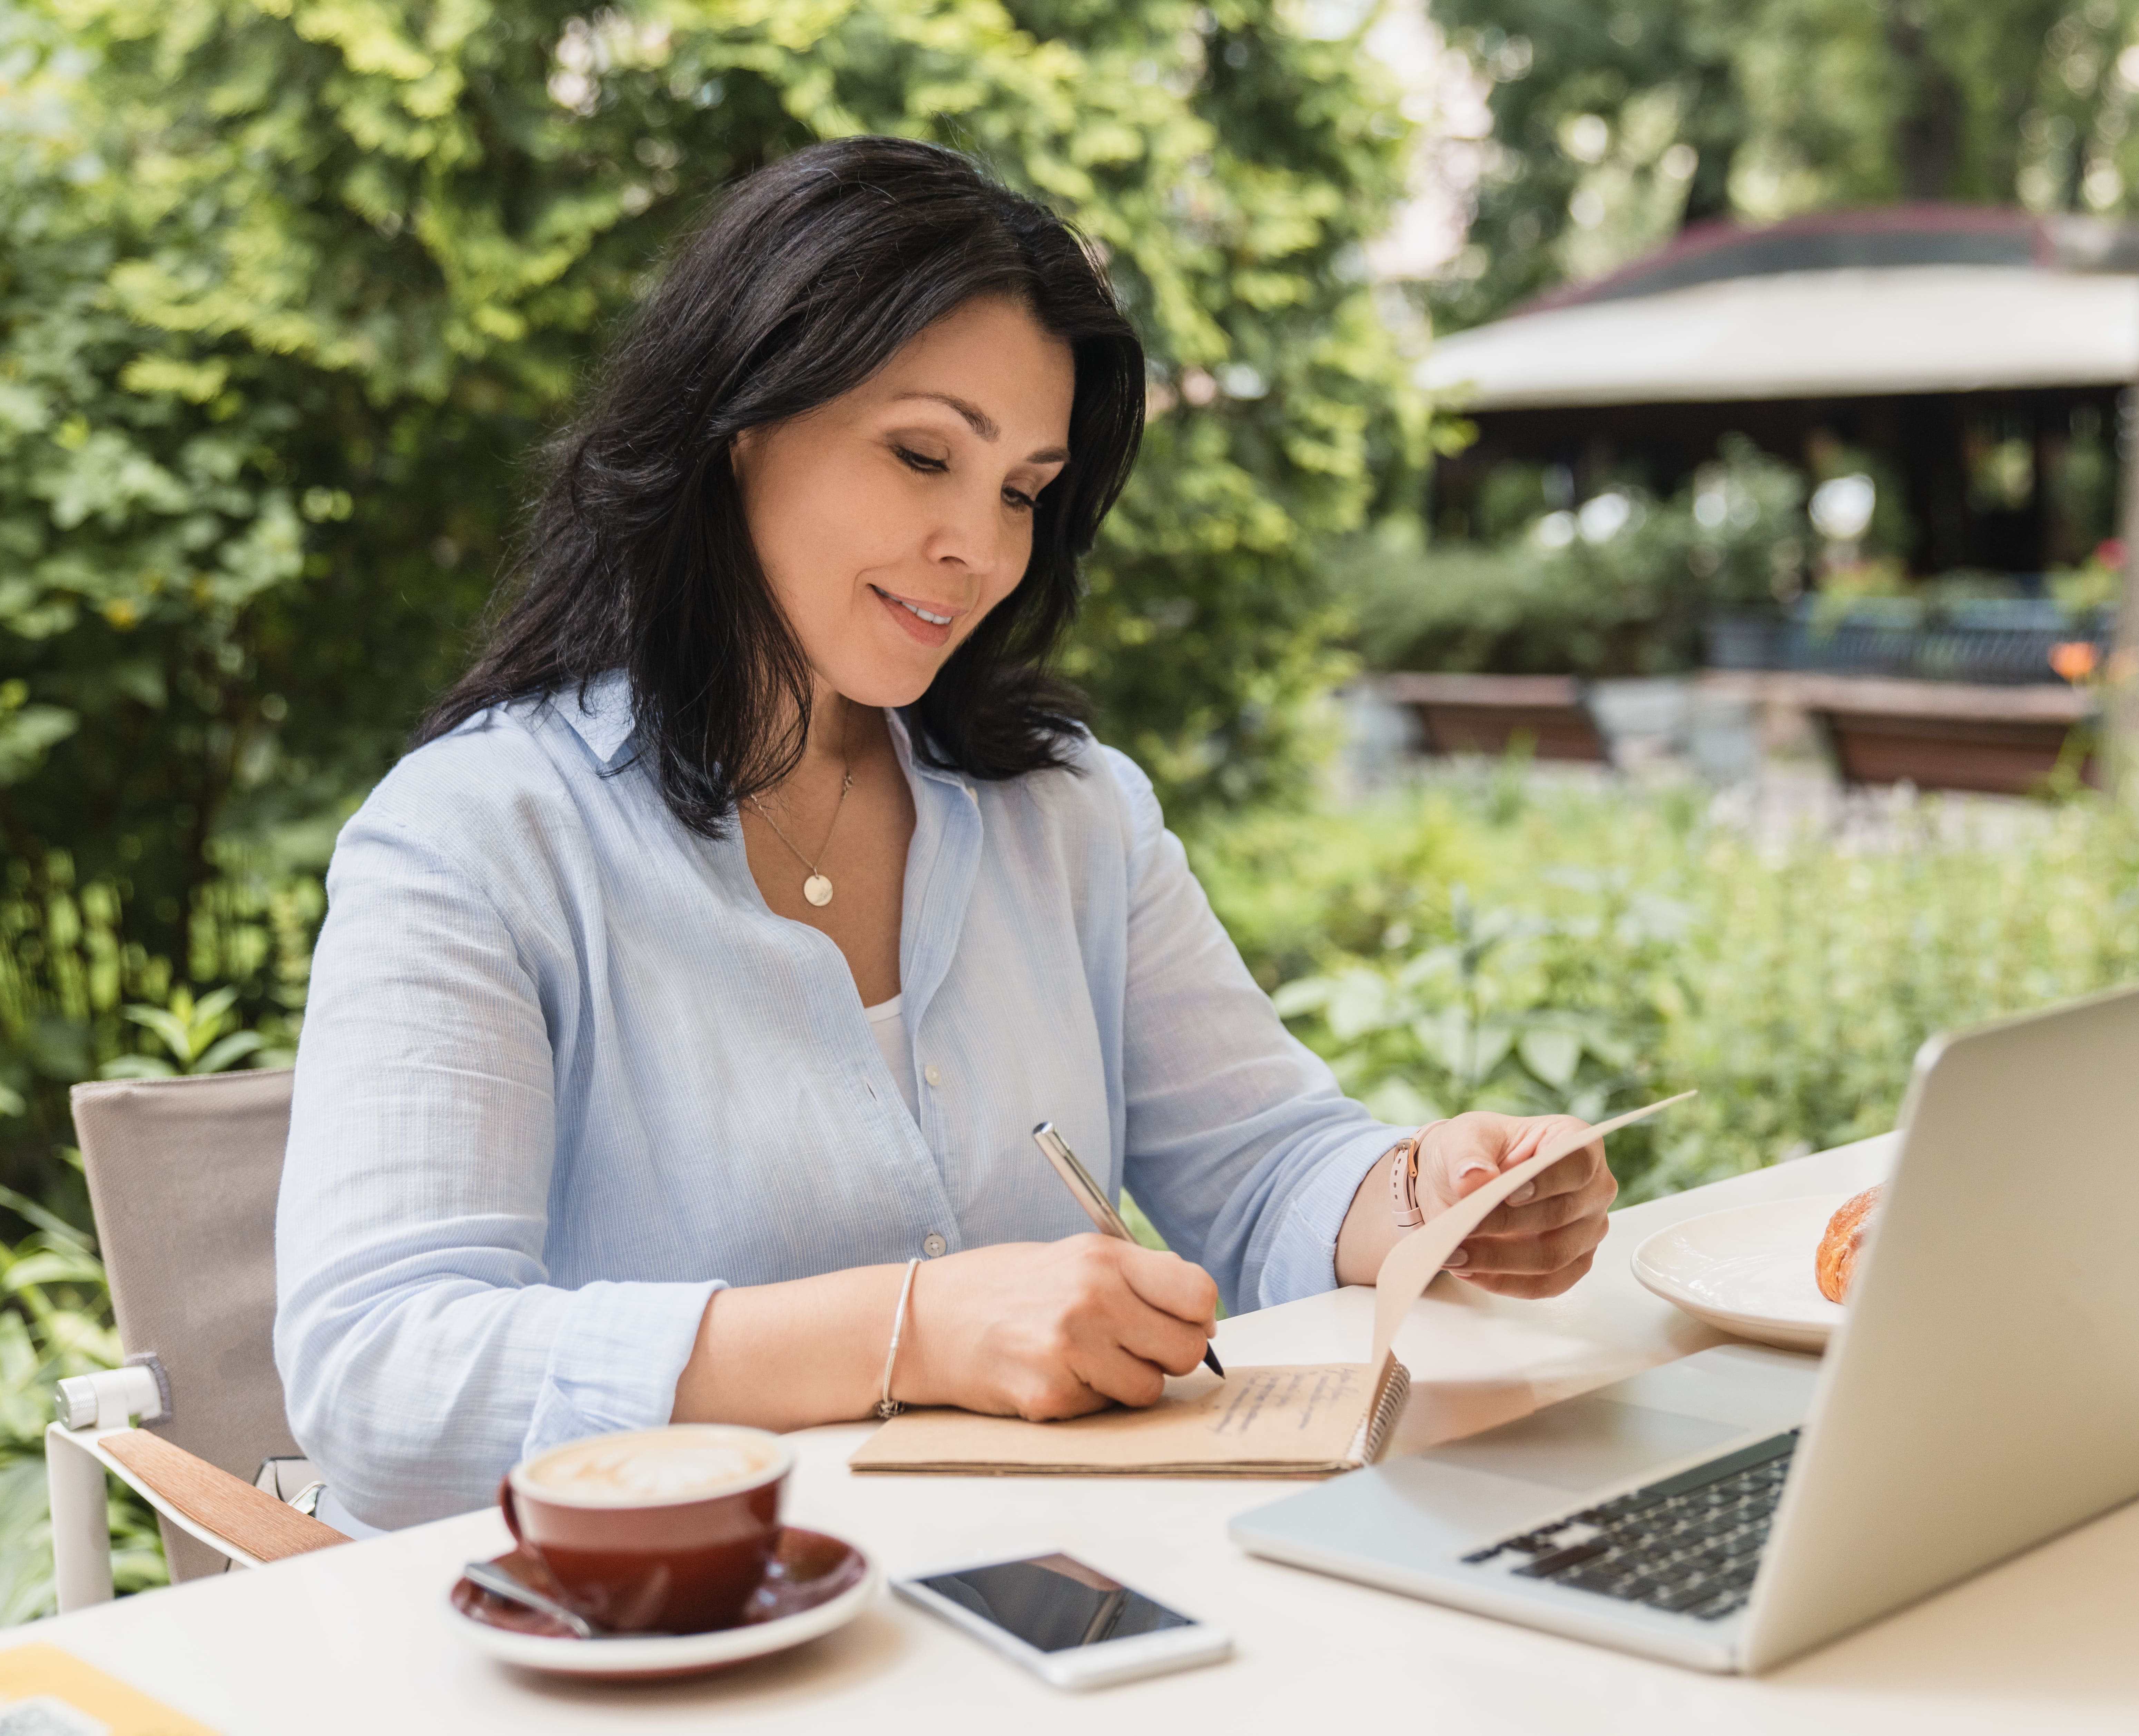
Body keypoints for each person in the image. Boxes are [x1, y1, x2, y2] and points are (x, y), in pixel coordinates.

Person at [273, 137, 1615, 1530]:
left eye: (1024, 490)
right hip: (657, 1639)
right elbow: (380, 1379)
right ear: (741, 423)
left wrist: (1433, 1194)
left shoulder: (1070, 812)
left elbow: (1269, 1164)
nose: (978, 545)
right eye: (925, 454)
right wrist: (912, 1327)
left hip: (1041, 1604)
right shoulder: (479, 839)